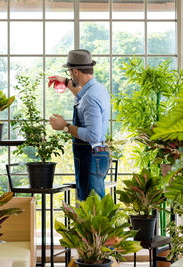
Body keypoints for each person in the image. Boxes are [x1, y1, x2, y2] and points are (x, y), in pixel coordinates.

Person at [49, 49, 111, 201]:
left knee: (92, 210)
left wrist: (65, 126)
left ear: (75, 71)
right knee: (94, 207)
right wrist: (64, 82)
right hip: (97, 153)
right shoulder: (98, 89)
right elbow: (81, 95)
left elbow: (93, 135)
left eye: (70, 72)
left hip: (90, 156)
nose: (69, 75)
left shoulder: (90, 97)